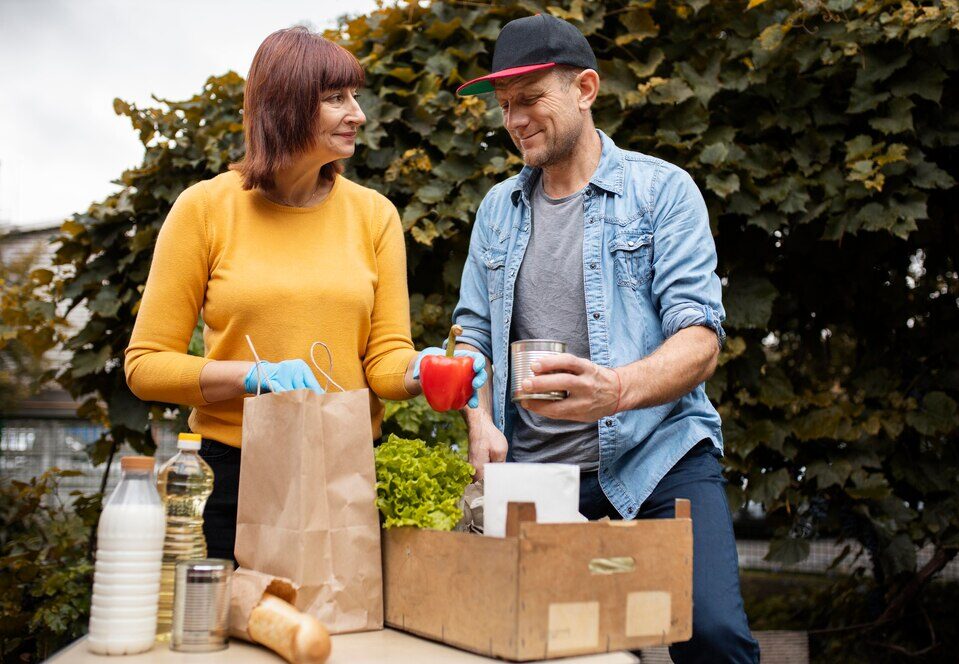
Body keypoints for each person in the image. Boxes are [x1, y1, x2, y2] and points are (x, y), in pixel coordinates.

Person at [451, 14, 760, 663]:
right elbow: (471, 334)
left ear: (585, 87)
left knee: (713, 635)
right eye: (506, 106)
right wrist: (479, 420)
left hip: (657, 460)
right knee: (526, 645)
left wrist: (616, 390)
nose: (515, 119)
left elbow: (700, 337)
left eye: (531, 98)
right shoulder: (496, 212)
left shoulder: (662, 192)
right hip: (538, 475)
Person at [125, 26, 484, 562]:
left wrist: (423, 369)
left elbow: (384, 361)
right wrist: (252, 376)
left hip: (343, 472)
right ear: (286, 106)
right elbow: (145, 366)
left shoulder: (374, 216)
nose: (357, 113)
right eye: (335, 98)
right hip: (232, 477)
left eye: (354, 97)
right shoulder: (205, 209)